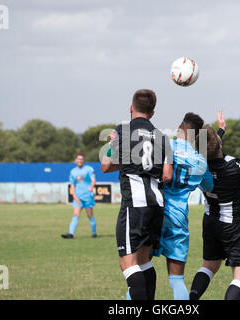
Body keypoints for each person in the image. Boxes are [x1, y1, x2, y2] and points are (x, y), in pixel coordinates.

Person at [101, 89, 173, 300]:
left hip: (135, 204)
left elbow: (105, 165)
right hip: (157, 204)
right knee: (143, 261)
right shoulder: (162, 136)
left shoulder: (121, 131)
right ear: (152, 112)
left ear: (131, 108)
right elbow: (167, 175)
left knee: (128, 263)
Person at [189, 113, 240, 300]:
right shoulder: (234, 167)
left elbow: (208, 149)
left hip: (210, 222)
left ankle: (190, 302)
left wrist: (221, 130)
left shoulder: (198, 165)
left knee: (208, 266)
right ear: (219, 144)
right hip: (234, 226)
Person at [152, 112, 214, 300]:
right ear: (197, 136)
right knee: (177, 280)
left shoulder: (163, 146)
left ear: (179, 127)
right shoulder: (200, 161)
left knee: (140, 272)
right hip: (178, 218)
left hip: (154, 212)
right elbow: (209, 187)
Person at [61, 152, 97, 239]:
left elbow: (93, 180)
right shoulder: (73, 172)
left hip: (88, 196)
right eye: (79, 159)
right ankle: (71, 234)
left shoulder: (89, 169)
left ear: (83, 160)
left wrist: (91, 187)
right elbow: (72, 185)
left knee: (90, 215)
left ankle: (94, 233)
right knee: (75, 214)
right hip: (78, 197)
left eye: (82, 159)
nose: (80, 160)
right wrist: (74, 195)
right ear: (75, 160)